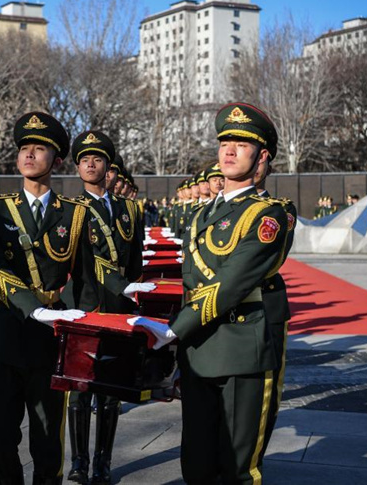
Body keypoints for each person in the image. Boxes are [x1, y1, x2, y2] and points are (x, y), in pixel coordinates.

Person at [129, 102, 289, 484]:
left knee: (238, 468)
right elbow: (190, 283)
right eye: (224, 143)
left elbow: (230, 283)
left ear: (262, 155)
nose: (229, 151)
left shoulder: (270, 215)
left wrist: (172, 329)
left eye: (242, 144)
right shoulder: (202, 215)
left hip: (239, 351)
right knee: (196, 465)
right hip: (199, 350)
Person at [0, 111, 94, 485]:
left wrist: (83, 332)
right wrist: (34, 308)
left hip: (51, 341)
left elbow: (87, 281)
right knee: (1, 440)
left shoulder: (75, 215)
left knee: (47, 442)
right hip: (7, 335)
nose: (29, 155)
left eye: (39, 148)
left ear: (57, 160)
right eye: (24, 148)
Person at [65, 131, 153, 484]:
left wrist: (129, 294)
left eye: (97, 159)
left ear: (108, 167)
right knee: (79, 389)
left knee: (112, 392)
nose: (90, 163)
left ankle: (103, 462)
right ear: (77, 168)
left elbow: (133, 261)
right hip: (84, 306)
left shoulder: (130, 210)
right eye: (84, 159)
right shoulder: (69, 210)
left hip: (118, 309)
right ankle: (78, 462)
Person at [252, 139, 297, 466]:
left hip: (265, 306)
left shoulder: (281, 210)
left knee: (265, 396)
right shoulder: (213, 211)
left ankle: (253, 461)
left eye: (259, 155)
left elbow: (268, 259)